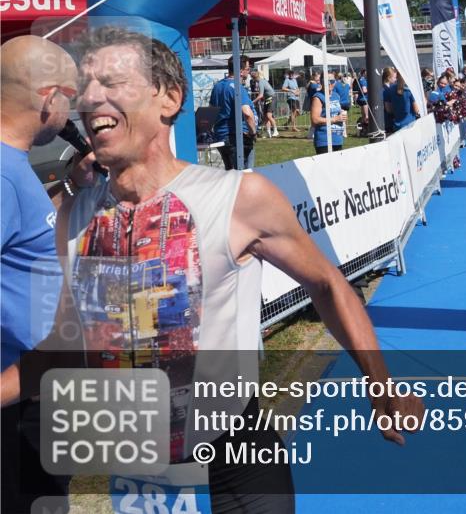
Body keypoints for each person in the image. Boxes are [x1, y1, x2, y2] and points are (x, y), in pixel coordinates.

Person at [0, 27, 422, 512]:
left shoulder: (241, 198)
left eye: (113, 83)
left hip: (235, 451)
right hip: (140, 474)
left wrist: (380, 384)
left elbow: (326, 283)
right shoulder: (74, 217)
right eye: (88, 86)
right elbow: (58, 354)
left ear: (169, 99)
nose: (92, 98)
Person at [0, 36, 97, 514]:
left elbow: (21, 236)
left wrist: (70, 187)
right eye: (69, 98)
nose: (70, 114)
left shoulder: (14, 169)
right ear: (46, 98)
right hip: (19, 403)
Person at [209, 56, 256, 170]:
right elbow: (247, 114)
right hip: (236, 138)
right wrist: (253, 132)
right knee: (245, 177)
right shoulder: (237, 88)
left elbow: (210, 111)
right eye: (248, 68)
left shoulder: (217, 86)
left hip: (221, 137)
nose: (249, 71)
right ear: (240, 71)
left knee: (230, 176)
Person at [311, 75, 347, 154]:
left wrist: (341, 114)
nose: (330, 84)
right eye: (327, 81)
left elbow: (335, 112)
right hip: (324, 139)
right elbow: (315, 119)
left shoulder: (336, 95)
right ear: (322, 82)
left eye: (332, 81)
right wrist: (335, 119)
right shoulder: (318, 97)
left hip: (337, 139)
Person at [250, 69, 277, 138]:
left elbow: (260, 95)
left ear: (254, 77)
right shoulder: (261, 81)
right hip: (268, 99)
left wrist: (252, 102)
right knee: (265, 117)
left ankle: (275, 131)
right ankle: (268, 133)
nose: (253, 80)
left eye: (252, 78)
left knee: (269, 116)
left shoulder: (261, 82)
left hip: (271, 98)